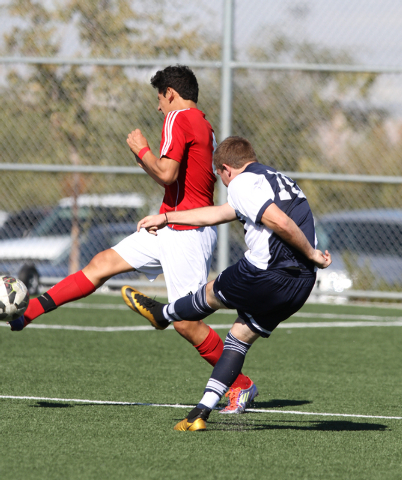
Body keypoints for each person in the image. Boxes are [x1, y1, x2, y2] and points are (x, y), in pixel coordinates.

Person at [9, 66, 258, 413]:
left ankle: (241, 385)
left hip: (186, 233)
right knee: (101, 265)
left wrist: (140, 150)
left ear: (170, 93)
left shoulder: (179, 118)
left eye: (159, 98)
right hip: (169, 227)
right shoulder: (204, 123)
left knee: (186, 323)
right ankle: (26, 314)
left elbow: (166, 173)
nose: (158, 108)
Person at [123, 136, 332, 431]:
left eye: (219, 176)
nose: (222, 183)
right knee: (238, 337)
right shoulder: (276, 179)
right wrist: (168, 217)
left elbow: (280, 223)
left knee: (211, 292)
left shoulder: (242, 183)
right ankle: (201, 412)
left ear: (226, 169)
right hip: (300, 284)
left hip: (268, 271)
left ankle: (163, 315)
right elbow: (218, 213)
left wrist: (312, 253)